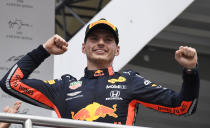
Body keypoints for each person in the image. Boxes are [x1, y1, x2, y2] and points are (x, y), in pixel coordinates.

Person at [0, 19, 199, 125]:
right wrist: (43, 51)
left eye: (108, 39)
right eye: (94, 38)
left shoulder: (130, 81)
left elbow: (183, 106)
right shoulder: (63, 87)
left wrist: (190, 70)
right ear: (83, 47)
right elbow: (10, 83)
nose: (101, 42)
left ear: (117, 49)